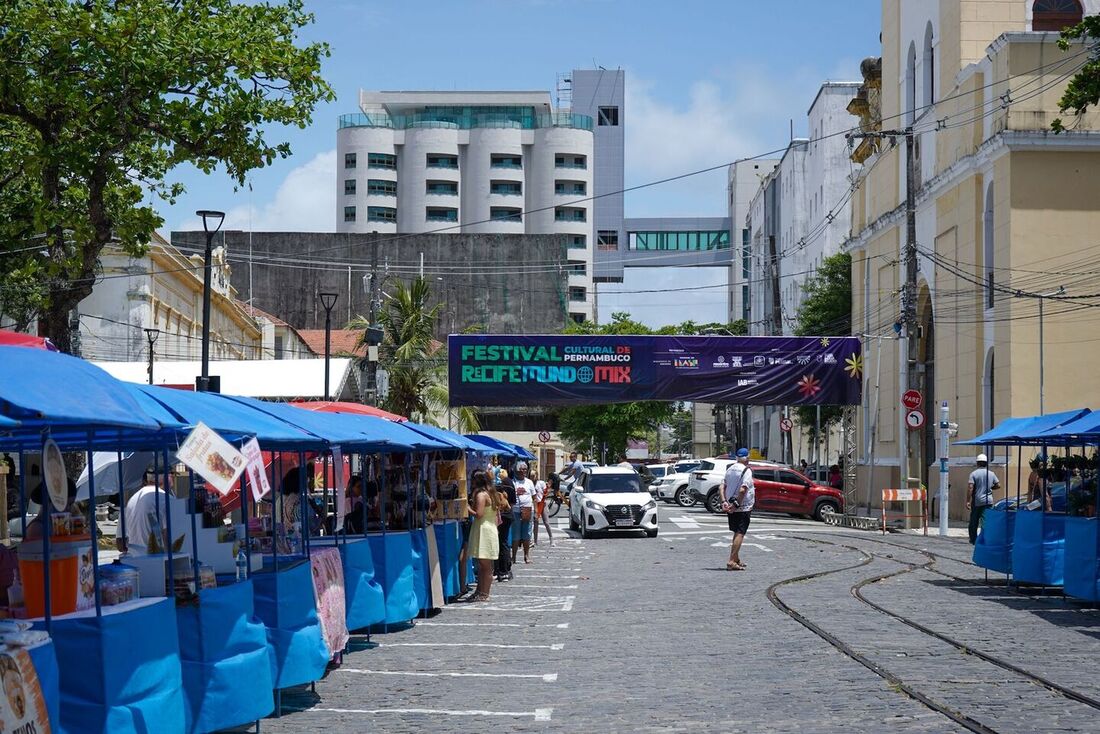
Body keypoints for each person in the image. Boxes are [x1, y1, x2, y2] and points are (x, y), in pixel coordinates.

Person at [115, 467, 172, 554]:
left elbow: (120, 545)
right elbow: (169, 536)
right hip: (157, 558)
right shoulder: (165, 499)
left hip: (134, 558)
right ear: (167, 478)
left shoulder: (131, 501)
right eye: (172, 475)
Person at [720, 448, 755, 571]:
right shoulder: (746, 470)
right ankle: (731, 561)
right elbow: (743, 490)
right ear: (747, 458)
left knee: (736, 532)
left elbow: (721, 486)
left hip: (730, 505)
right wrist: (737, 504)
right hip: (742, 507)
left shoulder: (730, 469)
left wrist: (724, 501)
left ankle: (736, 559)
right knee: (740, 533)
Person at [465, 471, 498, 602]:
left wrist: (467, 508)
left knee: (485, 565)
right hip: (487, 528)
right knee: (483, 564)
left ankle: (484, 593)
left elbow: (479, 514)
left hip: (484, 529)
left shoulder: (481, 495)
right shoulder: (491, 493)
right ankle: (480, 591)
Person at [968, 453, 1000, 544]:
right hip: (988, 501)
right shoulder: (991, 474)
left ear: (977, 463)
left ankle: (973, 539)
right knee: (986, 521)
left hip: (977, 501)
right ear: (986, 463)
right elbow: (998, 485)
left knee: (974, 521)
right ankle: (985, 538)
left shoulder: (973, 474)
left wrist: (968, 501)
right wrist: (990, 488)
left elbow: (970, 488)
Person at [511, 462, 536, 564]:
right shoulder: (513, 482)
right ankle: (514, 556)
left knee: (527, 534)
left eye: (525, 469)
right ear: (516, 470)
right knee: (516, 534)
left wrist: (536, 511)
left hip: (528, 510)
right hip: (516, 511)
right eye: (521, 469)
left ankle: (526, 555)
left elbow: (534, 497)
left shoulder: (529, 482)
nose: (523, 471)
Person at [494, 470, 514, 581]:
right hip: (507, 515)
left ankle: (503, 570)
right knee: (504, 543)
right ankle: (505, 569)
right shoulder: (508, 483)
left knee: (501, 543)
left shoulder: (498, 491)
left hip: (503, 516)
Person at [531, 469, 553, 547]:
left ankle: (551, 539)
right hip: (534, 504)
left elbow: (546, 492)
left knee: (546, 522)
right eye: (531, 476)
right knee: (535, 522)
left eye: (533, 475)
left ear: (537, 475)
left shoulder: (541, 483)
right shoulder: (529, 484)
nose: (532, 477)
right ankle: (535, 541)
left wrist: (547, 490)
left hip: (542, 503)